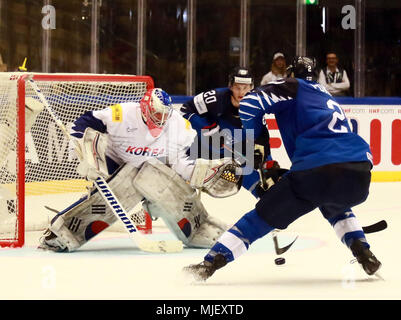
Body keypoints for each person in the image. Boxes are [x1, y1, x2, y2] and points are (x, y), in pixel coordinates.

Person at [184, 56, 382, 281]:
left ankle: (209, 264)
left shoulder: (292, 85)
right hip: (358, 174)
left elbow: (249, 103)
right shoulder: (326, 96)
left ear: (291, 74)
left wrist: (251, 143)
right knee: (333, 202)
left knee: (258, 219)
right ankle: (364, 253)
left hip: (315, 171)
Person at [38, 88, 242, 252]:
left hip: (147, 167)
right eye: (156, 113)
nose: (160, 119)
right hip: (113, 162)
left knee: (159, 184)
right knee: (119, 191)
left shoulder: (180, 127)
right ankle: (62, 233)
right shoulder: (123, 113)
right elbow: (85, 122)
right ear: (144, 107)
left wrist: (199, 174)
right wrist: (85, 149)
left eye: (164, 115)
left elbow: (177, 163)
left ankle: (198, 227)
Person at [180, 67, 276, 199]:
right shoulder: (215, 98)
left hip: (233, 151)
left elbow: (263, 141)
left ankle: (267, 201)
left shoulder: (257, 107)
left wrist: (266, 165)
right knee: (178, 189)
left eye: (245, 88)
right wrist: (207, 128)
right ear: (230, 86)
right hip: (202, 152)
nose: (241, 93)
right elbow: (185, 109)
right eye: (237, 87)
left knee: (264, 192)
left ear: (252, 87)